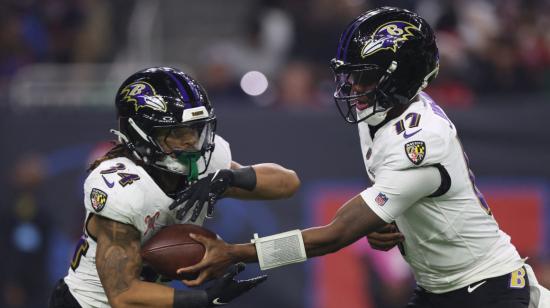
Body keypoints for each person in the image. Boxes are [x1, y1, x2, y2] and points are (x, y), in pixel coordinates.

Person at [174, 7, 550, 308]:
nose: (352, 86)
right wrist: (391, 217)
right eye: (350, 74)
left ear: (400, 77)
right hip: (443, 289)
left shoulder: (421, 139)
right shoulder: (382, 109)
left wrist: (235, 252)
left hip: (487, 290)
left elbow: (333, 236)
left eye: (364, 76)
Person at [48, 66, 301, 308]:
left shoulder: (203, 163)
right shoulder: (121, 188)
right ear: (139, 133)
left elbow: (288, 183)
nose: (191, 140)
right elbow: (123, 296)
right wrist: (203, 299)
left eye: (195, 128)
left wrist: (230, 177)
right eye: (177, 132)